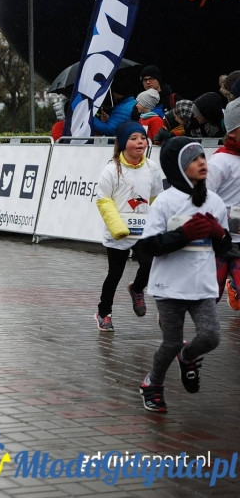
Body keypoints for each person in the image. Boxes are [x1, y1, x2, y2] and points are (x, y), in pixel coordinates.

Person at [134, 138, 231, 413]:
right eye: (193, 159)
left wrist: (218, 233)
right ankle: (152, 384)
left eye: (203, 157)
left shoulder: (214, 201)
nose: (202, 163)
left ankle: (187, 358)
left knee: (211, 336)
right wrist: (183, 235)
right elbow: (147, 247)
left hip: (201, 285)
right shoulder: (165, 202)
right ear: (177, 166)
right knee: (171, 342)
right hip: (169, 287)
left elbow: (225, 248)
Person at [94, 121, 163, 331]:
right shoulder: (111, 170)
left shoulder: (152, 167)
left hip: (143, 232)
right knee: (114, 274)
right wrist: (118, 228)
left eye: (142, 138)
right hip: (119, 234)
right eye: (134, 139)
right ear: (123, 143)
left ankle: (137, 289)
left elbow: (156, 198)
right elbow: (104, 200)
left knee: (150, 265)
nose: (140, 142)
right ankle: (103, 313)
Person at [204, 98, 240, 311]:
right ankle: (175, 313)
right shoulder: (220, 161)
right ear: (233, 131)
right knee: (212, 293)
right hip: (221, 240)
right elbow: (204, 196)